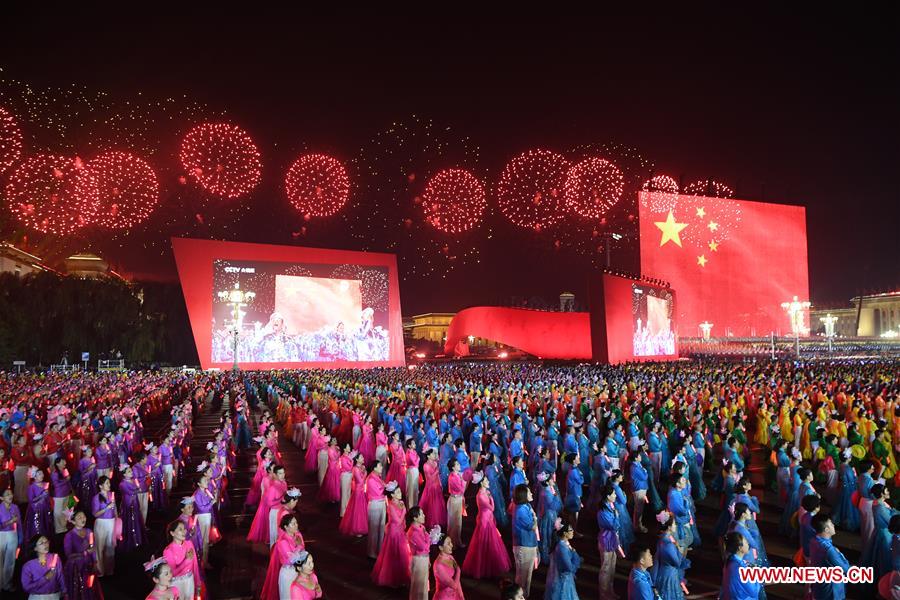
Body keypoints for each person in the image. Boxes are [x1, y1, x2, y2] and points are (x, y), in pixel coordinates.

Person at [462, 471, 511, 578]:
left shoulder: (484, 492)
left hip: (487, 517)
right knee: (484, 540)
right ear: (481, 483)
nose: (488, 481)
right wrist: (491, 498)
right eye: (486, 480)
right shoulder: (481, 495)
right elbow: (492, 508)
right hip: (484, 519)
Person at [371, 481, 411, 587]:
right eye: (397, 492)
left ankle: (401, 576)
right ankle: (393, 578)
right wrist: (404, 510)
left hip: (400, 531)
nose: (400, 493)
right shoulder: (391, 506)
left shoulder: (399, 503)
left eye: (399, 491)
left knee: (401, 553)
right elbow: (397, 521)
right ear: (392, 495)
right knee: (393, 554)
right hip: (394, 532)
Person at [261, 514, 305, 600]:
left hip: (299, 571)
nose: (296, 525)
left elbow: (303, 552)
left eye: (296, 522)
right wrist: (299, 547)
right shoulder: (282, 541)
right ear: (286, 527)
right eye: (293, 524)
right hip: (288, 573)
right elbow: (291, 560)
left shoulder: (298, 535)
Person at [809, 513, 850, 600]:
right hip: (831, 591)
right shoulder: (829, 550)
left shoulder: (814, 541)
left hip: (819, 586)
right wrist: (840, 554)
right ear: (826, 529)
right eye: (831, 524)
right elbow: (846, 570)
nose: (833, 525)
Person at [63, 510, 103, 600]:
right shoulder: (69, 535)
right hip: (76, 568)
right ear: (73, 521)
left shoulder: (89, 531)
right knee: (80, 589)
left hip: (89, 564)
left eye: (84, 516)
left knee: (91, 586)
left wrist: (95, 563)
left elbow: (93, 549)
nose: (83, 519)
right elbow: (68, 555)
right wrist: (85, 553)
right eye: (79, 517)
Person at [652, 510, 690, 600]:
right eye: (674, 524)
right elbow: (677, 562)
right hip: (669, 576)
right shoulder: (667, 544)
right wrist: (679, 549)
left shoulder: (662, 539)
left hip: (662, 573)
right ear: (669, 527)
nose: (675, 526)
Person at [163, 519, 201, 600]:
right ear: (172, 533)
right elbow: (172, 573)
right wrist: (186, 561)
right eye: (180, 529)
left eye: (184, 529)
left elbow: (195, 565)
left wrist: (198, 583)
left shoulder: (189, 544)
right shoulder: (168, 551)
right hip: (176, 584)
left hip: (190, 581)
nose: (184, 531)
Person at [511, 484, 538, 597]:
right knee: (523, 575)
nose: (531, 493)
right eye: (529, 492)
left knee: (527, 574)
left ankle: (524, 595)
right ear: (523, 495)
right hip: (524, 545)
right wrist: (535, 519)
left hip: (529, 543)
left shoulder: (526, 505)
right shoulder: (521, 510)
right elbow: (532, 526)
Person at [21, 534, 66, 599]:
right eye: (41, 543)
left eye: (46, 542)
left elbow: (61, 576)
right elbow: (26, 587)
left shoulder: (55, 558)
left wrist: (65, 591)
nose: (45, 544)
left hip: (55, 595)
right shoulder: (28, 566)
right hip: (37, 597)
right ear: (35, 548)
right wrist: (45, 578)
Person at [544, 522, 581, 600]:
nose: (573, 531)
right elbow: (569, 567)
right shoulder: (562, 547)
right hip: (562, 580)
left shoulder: (565, 544)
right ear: (565, 533)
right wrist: (575, 556)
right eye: (571, 530)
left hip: (564, 578)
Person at [719, 531, 762, 600]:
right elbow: (754, 591)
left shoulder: (730, 560)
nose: (748, 543)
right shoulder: (739, 567)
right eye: (745, 542)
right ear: (740, 548)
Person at [597, 484, 621, 600]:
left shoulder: (610, 506)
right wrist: (616, 516)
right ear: (608, 496)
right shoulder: (603, 511)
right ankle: (603, 594)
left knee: (612, 567)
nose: (615, 496)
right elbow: (613, 525)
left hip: (612, 538)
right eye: (614, 494)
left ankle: (610, 591)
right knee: (606, 568)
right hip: (606, 539)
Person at [91, 476, 116, 577]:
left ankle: (109, 569)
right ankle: (100, 570)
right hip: (101, 523)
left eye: (109, 483)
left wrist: (117, 518)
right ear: (100, 486)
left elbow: (115, 509)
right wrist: (106, 508)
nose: (109, 485)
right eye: (106, 483)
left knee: (110, 546)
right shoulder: (96, 498)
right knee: (100, 547)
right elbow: (95, 514)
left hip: (111, 522)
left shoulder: (111, 495)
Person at [339, 452, 368, 537]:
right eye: (361, 457)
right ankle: (357, 528)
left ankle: (362, 525)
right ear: (357, 459)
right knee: (357, 510)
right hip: (358, 491)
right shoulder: (355, 469)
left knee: (362, 509)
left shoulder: (362, 467)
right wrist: (365, 473)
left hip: (362, 490)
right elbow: (360, 481)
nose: (363, 458)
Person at [0, 487, 23, 592]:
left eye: (11, 494)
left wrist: (20, 537)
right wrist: (10, 522)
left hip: (13, 535)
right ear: (1, 498)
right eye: (7, 494)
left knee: (10, 561)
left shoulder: (15, 507)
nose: (10, 496)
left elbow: (19, 524)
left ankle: (7, 584)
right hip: (1, 535)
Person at [406, 507, 432, 600]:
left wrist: (428, 559)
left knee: (424, 584)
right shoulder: (413, 532)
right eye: (422, 514)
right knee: (419, 585)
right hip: (418, 561)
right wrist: (429, 537)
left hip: (423, 559)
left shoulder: (421, 527)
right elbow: (425, 547)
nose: (424, 516)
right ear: (415, 518)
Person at [25, 467, 53, 542]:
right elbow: (31, 500)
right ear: (34, 477)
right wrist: (41, 495)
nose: (42, 475)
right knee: (37, 528)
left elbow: (48, 498)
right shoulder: (31, 487)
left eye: (42, 473)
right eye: (39, 474)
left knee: (46, 527)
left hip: (45, 510)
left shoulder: (45, 485)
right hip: (36, 511)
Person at [366, 461, 387, 559]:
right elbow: (379, 492)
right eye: (379, 466)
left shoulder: (377, 477)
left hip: (381, 504)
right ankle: (372, 552)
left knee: (381, 528)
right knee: (374, 529)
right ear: (374, 468)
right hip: (375, 505)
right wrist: (387, 489)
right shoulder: (370, 479)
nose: (381, 467)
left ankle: (379, 550)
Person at [433, 534, 464, 599]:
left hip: (455, 595)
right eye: (448, 543)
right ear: (441, 547)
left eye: (451, 542)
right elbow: (454, 585)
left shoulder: (450, 557)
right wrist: (458, 570)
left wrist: (461, 596)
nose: (452, 545)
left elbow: (458, 582)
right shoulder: (438, 566)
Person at [446, 459, 467, 548]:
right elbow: (462, 489)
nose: (459, 465)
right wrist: (464, 480)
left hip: (457, 500)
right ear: (453, 467)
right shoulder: (453, 477)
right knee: (455, 523)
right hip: (455, 500)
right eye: (457, 464)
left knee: (456, 522)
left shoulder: (456, 475)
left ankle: (456, 541)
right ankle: (453, 543)